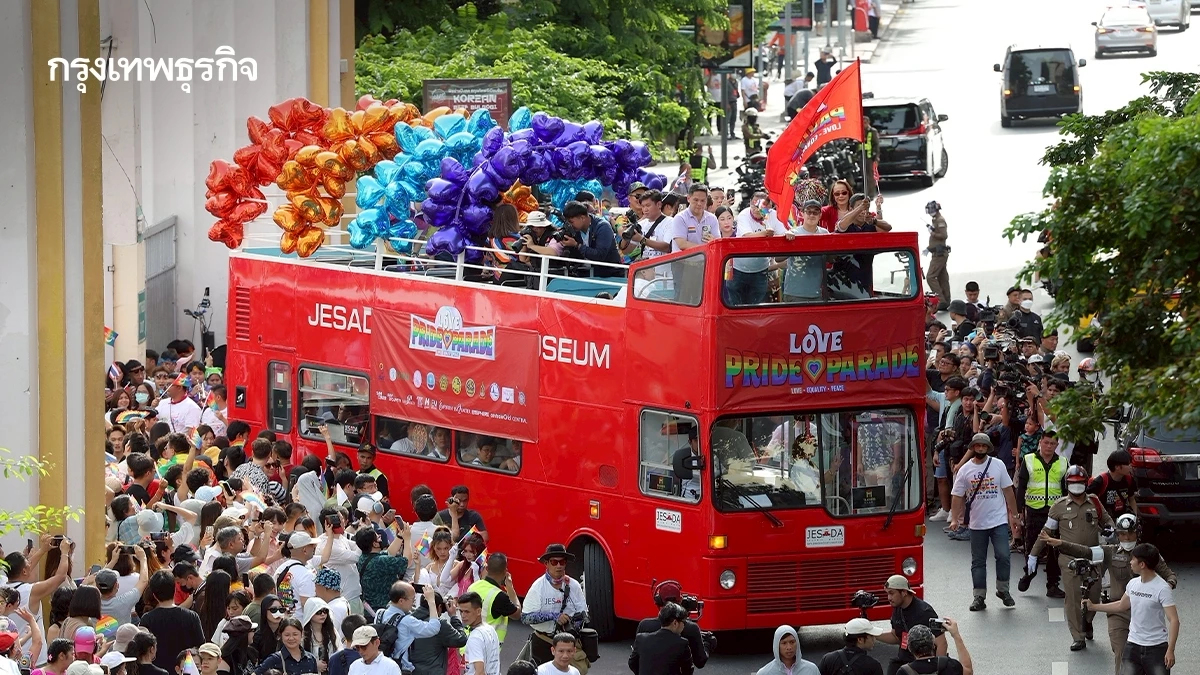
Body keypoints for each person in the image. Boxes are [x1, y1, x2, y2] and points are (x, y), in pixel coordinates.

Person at [1041, 514, 1177, 675]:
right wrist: (1061, 543)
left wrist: (1164, 588)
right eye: (1122, 534)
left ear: (1137, 533)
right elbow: (1085, 551)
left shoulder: (1148, 554)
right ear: (1117, 535)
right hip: (1118, 612)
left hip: (1144, 613)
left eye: (1130, 533)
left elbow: (1170, 575)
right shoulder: (1110, 552)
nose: (1127, 538)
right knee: (1121, 653)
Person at [1025, 464, 1113, 651]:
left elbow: (1108, 522)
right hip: (1069, 560)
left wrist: (1110, 530)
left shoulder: (1094, 502)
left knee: (1095, 595)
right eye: (1073, 482)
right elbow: (1046, 533)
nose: (1077, 486)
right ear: (1067, 484)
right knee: (1073, 599)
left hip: (1093, 557)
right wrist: (1033, 554)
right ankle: (1078, 636)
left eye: (1080, 482)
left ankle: (1087, 621)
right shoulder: (1059, 507)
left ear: (1085, 483)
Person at [949, 433, 1019, 610]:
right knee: (978, 561)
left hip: (998, 520)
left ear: (988, 448)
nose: (980, 448)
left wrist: (1015, 515)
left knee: (1003, 555)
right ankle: (979, 597)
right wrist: (955, 519)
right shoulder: (965, 470)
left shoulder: (998, 465)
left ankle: (1003, 590)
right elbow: (957, 495)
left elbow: (1008, 491)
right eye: (978, 445)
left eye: (983, 446)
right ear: (973, 447)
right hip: (977, 523)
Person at [1086, 544, 1180, 674]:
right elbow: (1121, 605)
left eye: (1133, 559)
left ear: (1142, 564)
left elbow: (1174, 620)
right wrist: (1093, 607)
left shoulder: (1162, 588)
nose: (1130, 562)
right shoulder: (1133, 584)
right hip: (1132, 646)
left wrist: (1170, 650)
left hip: (1156, 648)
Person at [1014, 431, 1068, 599]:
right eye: (1046, 443)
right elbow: (1021, 487)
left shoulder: (1063, 462)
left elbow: (1065, 490)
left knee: (1054, 549)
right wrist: (1018, 511)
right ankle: (1030, 573)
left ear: (1057, 445)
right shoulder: (1029, 459)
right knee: (1032, 546)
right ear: (1040, 442)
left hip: (1055, 512)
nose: (1049, 446)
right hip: (1034, 510)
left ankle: (1053, 584)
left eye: (1052, 444)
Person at [521, 545, 588, 666]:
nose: (558, 566)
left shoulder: (574, 585)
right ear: (546, 563)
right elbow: (525, 617)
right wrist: (554, 616)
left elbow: (584, 613)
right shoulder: (538, 587)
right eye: (554, 562)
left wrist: (573, 625)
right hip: (543, 643)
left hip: (568, 644)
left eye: (562, 562)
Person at [876, 576, 945, 675]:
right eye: (887, 593)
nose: (889, 598)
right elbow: (895, 637)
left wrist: (938, 670)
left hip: (921, 662)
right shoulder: (897, 608)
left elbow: (942, 643)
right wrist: (873, 634)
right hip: (903, 660)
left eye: (891, 593)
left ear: (904, 592)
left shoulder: (925, 612)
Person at [139, 570, 205, 671]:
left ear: (154, 595)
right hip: (186, 670)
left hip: (157, 671)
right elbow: (200, 646)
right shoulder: (192, 617)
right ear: (174, 590)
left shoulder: (147, 619)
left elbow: (142, 650)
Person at [635, 581, 710, 669]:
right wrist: (707, 644)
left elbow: (634, 662)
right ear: (680, 600)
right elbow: (700, 662)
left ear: (658, 601)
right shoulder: (691, 629)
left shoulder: (644, 625)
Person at [375, 582, 441, 672]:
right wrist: (431, 602)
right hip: (399, 669)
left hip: (380, 666)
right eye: (412, 599)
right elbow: (433, 628)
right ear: (401, 601)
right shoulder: (407, 621)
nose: (414, 602)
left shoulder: (379, 613)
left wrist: (405, 589)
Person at [779, 199, 831, 302]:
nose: (812, 215)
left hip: (817, 292)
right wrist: (786, 241)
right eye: (808, 211)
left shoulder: (825, 233)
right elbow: (778, 258)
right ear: (802, 213)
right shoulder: (793, 233)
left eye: (815, 212)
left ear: (820, 215)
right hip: (794, 292)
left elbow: (831, 259)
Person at [466, 554, 522, 647]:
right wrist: (510, 587)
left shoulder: (473, 586)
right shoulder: (499, 596)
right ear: (505, 571)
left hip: (468, 641)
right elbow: (517, 614)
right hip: (486, 647)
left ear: (487, 568)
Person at [407, 590, 467, 675]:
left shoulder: (408, 622)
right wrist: (454, 616)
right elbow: (461, 640)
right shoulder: (440, 625)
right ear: (439, 607)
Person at [560, 201, 622, 278]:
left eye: (571, 222)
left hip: (609, 274)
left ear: (582, 218)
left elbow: (600, 255)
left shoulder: (602, 227)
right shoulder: (574, 229)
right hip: (584, 273)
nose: (570, 225)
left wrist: (577, 245)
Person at [897, 623, 972, 675]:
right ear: (933, 645)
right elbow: (968, 672)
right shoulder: (949, 665)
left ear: (910, 648)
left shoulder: (903, 672)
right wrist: (956, 635)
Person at [818, 618, 884, 675]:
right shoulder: (873, 665)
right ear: (860, 639)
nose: (874, 639)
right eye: (871, 636)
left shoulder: (828, 659)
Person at [1088, 450, 1137, 522]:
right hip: (1104, 521)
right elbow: (1087, 500)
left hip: (1123, 520)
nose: (1130, 466)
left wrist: (1135, 518)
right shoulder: (1101, 481)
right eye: (1128, 464)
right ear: (1117, 467)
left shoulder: (1129, 480)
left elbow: (1131, 499)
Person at [458, 592, 501, 675]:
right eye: (461, 611)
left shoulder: (475, 637)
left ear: (478, 611)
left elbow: (480, 672)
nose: (463, 615)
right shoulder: (490, 629)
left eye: (467, 612)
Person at [924, 202, 950, 311]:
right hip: (937, 252)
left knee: (930, 277)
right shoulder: (935, 220)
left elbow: (944, 235)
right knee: (942, 277)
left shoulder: (940, 220)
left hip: (939, 254)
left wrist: (932, 233)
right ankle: (946, 301)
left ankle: (940, 300)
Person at [861, 118, 881, 198]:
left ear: (868, 122)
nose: (864, 124)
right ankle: (865, 193)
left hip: (870, 157)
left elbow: (876, 145)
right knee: (864, 176)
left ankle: (871, 194)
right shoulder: (860, 131)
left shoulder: (873, 131)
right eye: (862, 122)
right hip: (862, 157)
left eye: (865, 122)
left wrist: (876, 157)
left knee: (870, 176)